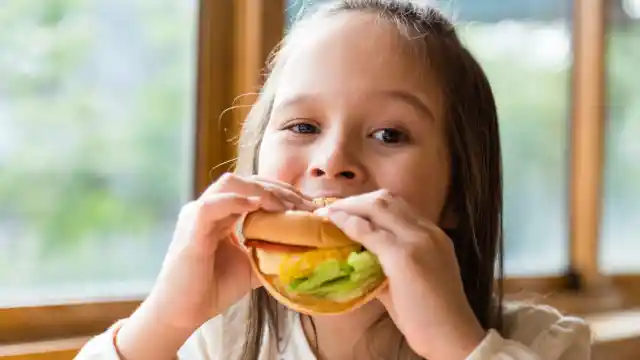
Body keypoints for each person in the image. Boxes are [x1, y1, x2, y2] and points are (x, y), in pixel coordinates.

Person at [76, 1, 591, 359]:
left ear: (457, 194)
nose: (332, 160)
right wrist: (164, 319)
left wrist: (457, 346)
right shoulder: (210, 338)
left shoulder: (541, 342)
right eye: (302, 126)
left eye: (389, 134)